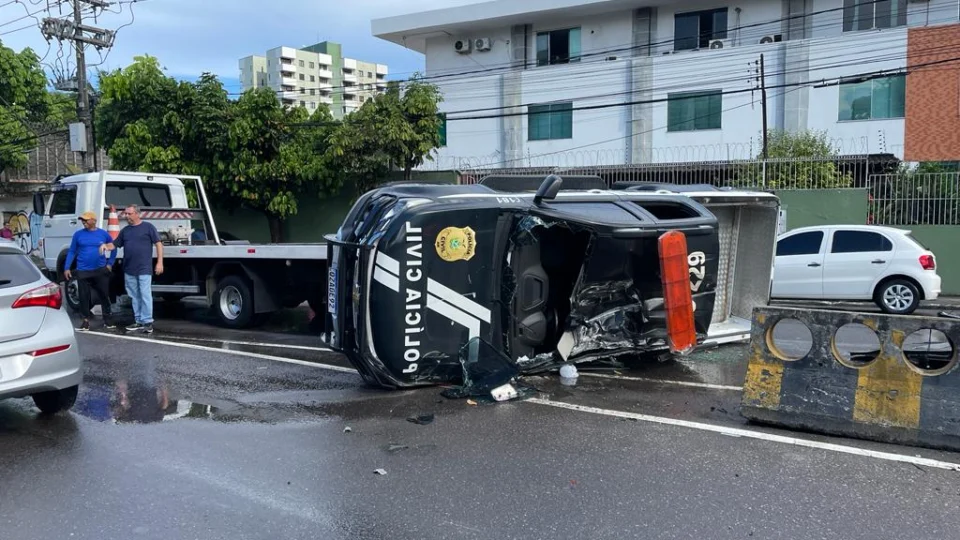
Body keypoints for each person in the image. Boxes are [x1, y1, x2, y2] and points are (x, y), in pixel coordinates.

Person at [101, 204, 163, 334]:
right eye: (126, 214)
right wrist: (106, 246)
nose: (127, 216)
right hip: (129, 268)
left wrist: (159, 262)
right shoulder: (125, 230)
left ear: (137, 214)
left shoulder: (148, 227)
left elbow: (158, 244)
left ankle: (147, 322)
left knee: (145, 294)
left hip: (144, 267)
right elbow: (115, 244)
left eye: (129, 214)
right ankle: (139, 320)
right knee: (134, 296)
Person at [64, 211, 116, 331]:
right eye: (82, 220)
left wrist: (110, 264)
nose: (84, 222)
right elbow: (72, 251)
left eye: (86, 220)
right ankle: (85, 321)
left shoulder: (103, 234)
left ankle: (107, 320)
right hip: (83, 270)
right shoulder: (78, 235)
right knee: (83, 296)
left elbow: (113, 247)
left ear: (94, 220)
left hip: (100, 270)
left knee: (104, 295)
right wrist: (66, 268)